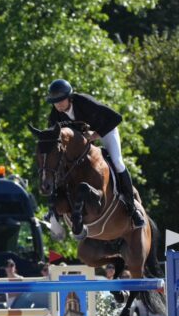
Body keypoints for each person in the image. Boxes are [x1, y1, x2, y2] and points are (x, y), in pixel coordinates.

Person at [45, 78, 145, 229]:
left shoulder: (84, 102)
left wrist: (93, 136)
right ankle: (53, 211)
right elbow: (53, 138)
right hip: (82, 143)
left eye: (61, 100)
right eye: (55, 101)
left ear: (69, 97)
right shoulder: (55, 115)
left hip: (105, 130)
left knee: (117, 162)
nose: (58, 104)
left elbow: (116, 118)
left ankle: (132, 209)